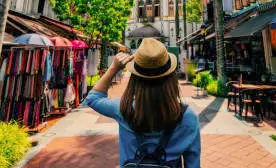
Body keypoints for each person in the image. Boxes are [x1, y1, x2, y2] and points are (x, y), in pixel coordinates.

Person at [85, 38, 201, 167]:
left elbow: (93, 98)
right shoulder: (187, 117)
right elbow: (193, 164)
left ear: (135, 79)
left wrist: (114, 67)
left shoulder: (124, 109)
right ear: (171, 78)